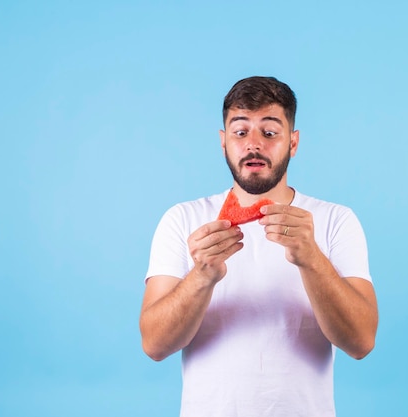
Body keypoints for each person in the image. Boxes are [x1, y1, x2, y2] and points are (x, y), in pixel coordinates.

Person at [139, 76, 378, 417]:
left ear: (293, 143)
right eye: (240, 132)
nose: (253, 144)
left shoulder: (336, 220)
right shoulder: (183, 219)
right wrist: (202, 275)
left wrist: (311, 259)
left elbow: (361, 342)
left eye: (269, 132)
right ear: (223, 142)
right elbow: (154, 345)